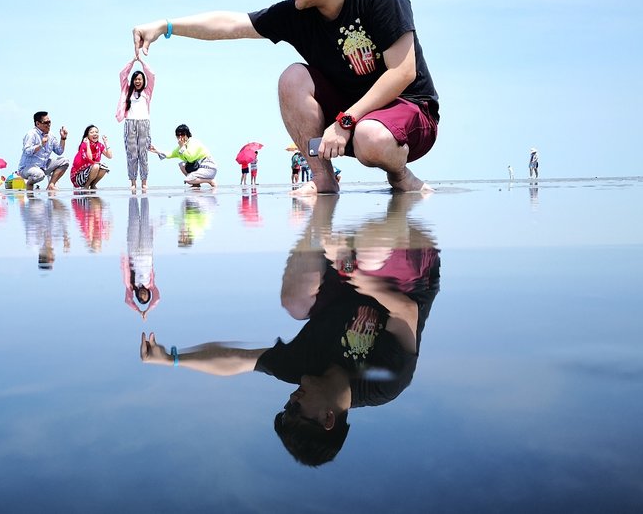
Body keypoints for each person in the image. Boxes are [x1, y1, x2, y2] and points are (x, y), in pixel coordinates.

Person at [133, 0, 439, 195]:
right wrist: (166, 25)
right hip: (348, 122)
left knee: (370, 137)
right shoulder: (297, 15)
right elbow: (230, 24)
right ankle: (323, 178)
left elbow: (403, 72)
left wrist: (346, 121)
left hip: (408, 112)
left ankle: (400, 177)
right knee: (292, 77)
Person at [140, 193, 440, 466]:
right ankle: (380, 209)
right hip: (407, 279)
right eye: (297, 411)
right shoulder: (383, 384)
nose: (291, 400)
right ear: (327, 418)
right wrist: (351, 268)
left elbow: (236, 361)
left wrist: (172, 359)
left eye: (286, 407)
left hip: (348, 273)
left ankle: (320, 208)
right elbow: (406, 310)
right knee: (372, 253)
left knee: (295, 303)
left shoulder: (302, 370)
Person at [116, 59, 156, 193]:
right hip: (130, 123)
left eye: (140, 79)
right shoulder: (127, 90)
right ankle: (133, 181)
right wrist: (133, 61)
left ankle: (144, 181)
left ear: (143, 81)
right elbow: (122, 74)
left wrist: (142, 62)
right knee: (132, 154)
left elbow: (152, 75)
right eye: (135, 79)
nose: (137, 81)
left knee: (143, 154)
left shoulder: (147, 91)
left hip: (144, 123)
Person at [123, 196, 160, 320]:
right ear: (149, 294)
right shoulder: (151, 285)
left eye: (141, 297)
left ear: (137, 296)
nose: (143, 294)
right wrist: (148, 310)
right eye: (146, 296)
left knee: (133, 219)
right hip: (147, 251)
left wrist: (139, 311)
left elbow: (127, 301)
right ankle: (144, 195)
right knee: (145, 219)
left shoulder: (131, 286)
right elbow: (157, 299)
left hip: (133, 252)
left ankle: (133, 196)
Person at [149, 124, 217, 188]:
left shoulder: (193, 142)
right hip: (199, 166)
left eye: (182, 134)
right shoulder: (181, 147)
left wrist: (182, 147)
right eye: (178, 135)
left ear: (187, 134)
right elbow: (170, 154)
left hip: (208, 167)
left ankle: (210, 181)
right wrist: (156, 151)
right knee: (182, 165)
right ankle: (196, 183)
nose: (180, 137)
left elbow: (190, 158)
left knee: (188, 180)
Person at [19, 111, 69, 191]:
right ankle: (29, 183)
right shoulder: (31, 134)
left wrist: (63, 138)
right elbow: (27, 151)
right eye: (46, 122)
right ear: (38, 123)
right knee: (39, 174)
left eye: (49, 122)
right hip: (27, 168)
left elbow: (59, 151)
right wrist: (41, 145)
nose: (49, 124)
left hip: (43, 166)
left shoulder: (51, 135)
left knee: (64, 161)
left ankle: (51, 185)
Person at [70, 125, 114, 190]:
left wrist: (106, 142)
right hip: (78, 178)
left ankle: (93, 185)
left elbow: (110, 156)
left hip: (89, 174)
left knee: (104, 167)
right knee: (96, 166)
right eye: (92, 132)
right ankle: (86, 186)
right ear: (87, 136)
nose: (95, 134)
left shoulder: (99, 145)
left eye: (96, 132)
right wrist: (87, 145)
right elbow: (90, 158)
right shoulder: (84, 145)